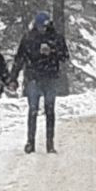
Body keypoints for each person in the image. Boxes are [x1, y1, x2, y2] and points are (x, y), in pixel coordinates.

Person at [7, 10, 69, 154]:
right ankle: (30, 142)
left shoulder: (56, 38)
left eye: (45, 26)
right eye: (41, 26)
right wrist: (13, 78)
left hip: (50, 77)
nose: (43, 29)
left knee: (49, 110)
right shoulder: (28, 38)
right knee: (33, 110)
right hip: (33, 78)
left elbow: (65, 56)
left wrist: (52, 51)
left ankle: (50, 143)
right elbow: (19, 59)